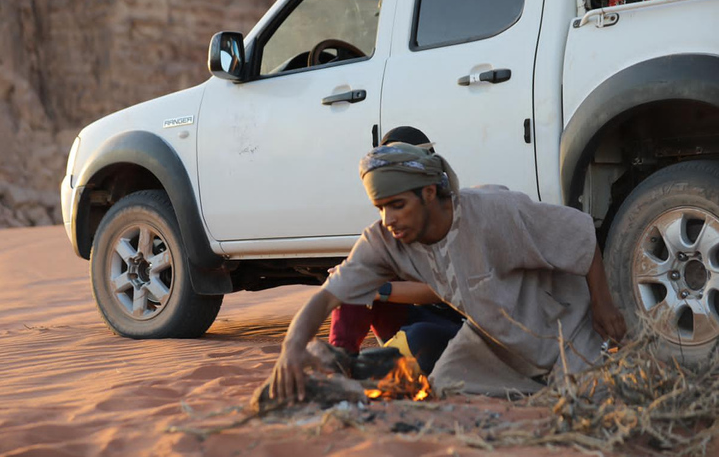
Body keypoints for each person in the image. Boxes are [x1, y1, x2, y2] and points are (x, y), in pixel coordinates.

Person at [269, 143, 627, 402]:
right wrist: (291, 347)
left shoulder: (492, 212)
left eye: (397, 205)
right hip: (493, 342)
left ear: (429, 193)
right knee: (442, 388)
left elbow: (579, 232)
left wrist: (603, 304)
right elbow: (327, 296)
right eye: (380, 208)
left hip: (568, 330)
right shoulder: (384, 240)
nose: (388, 219)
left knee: (586, 400)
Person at [329, 126, 464, 373]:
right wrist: (352, 280)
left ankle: (381, 364)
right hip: (410, 317)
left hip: (462, 325)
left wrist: (380, 290)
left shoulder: (451, 214)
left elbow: (445, 291)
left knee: (422, 336)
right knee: (353, 281)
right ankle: (339, 363)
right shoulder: (394, 219)